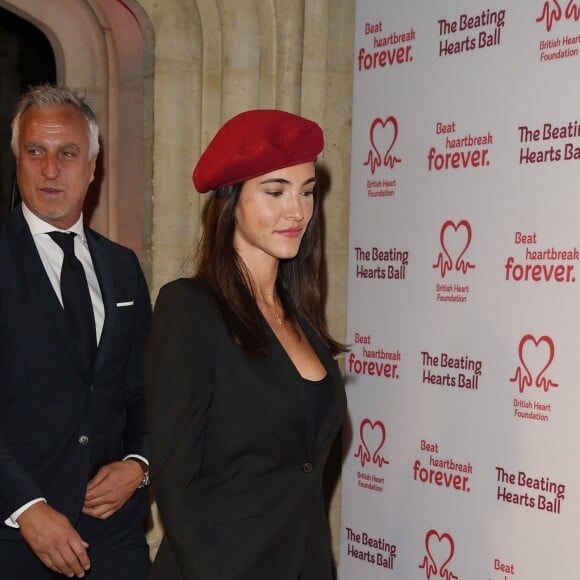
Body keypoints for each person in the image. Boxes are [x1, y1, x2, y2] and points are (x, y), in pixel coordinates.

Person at [145, 109, 347, 580]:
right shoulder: (189, 310)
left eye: (307, 191)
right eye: (275, 191)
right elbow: (177, 487)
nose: (296, 210)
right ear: (230, 199)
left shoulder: (300, 319)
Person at [0, 84, 152, 579]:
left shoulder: (122, 266)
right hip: (16, 540)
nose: (50, 169)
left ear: (92, 166)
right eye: (35, 151)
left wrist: (138, 463)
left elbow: (145, 392)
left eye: (67, 154)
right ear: (17, 159)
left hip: (116, 539)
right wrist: (26, 507)